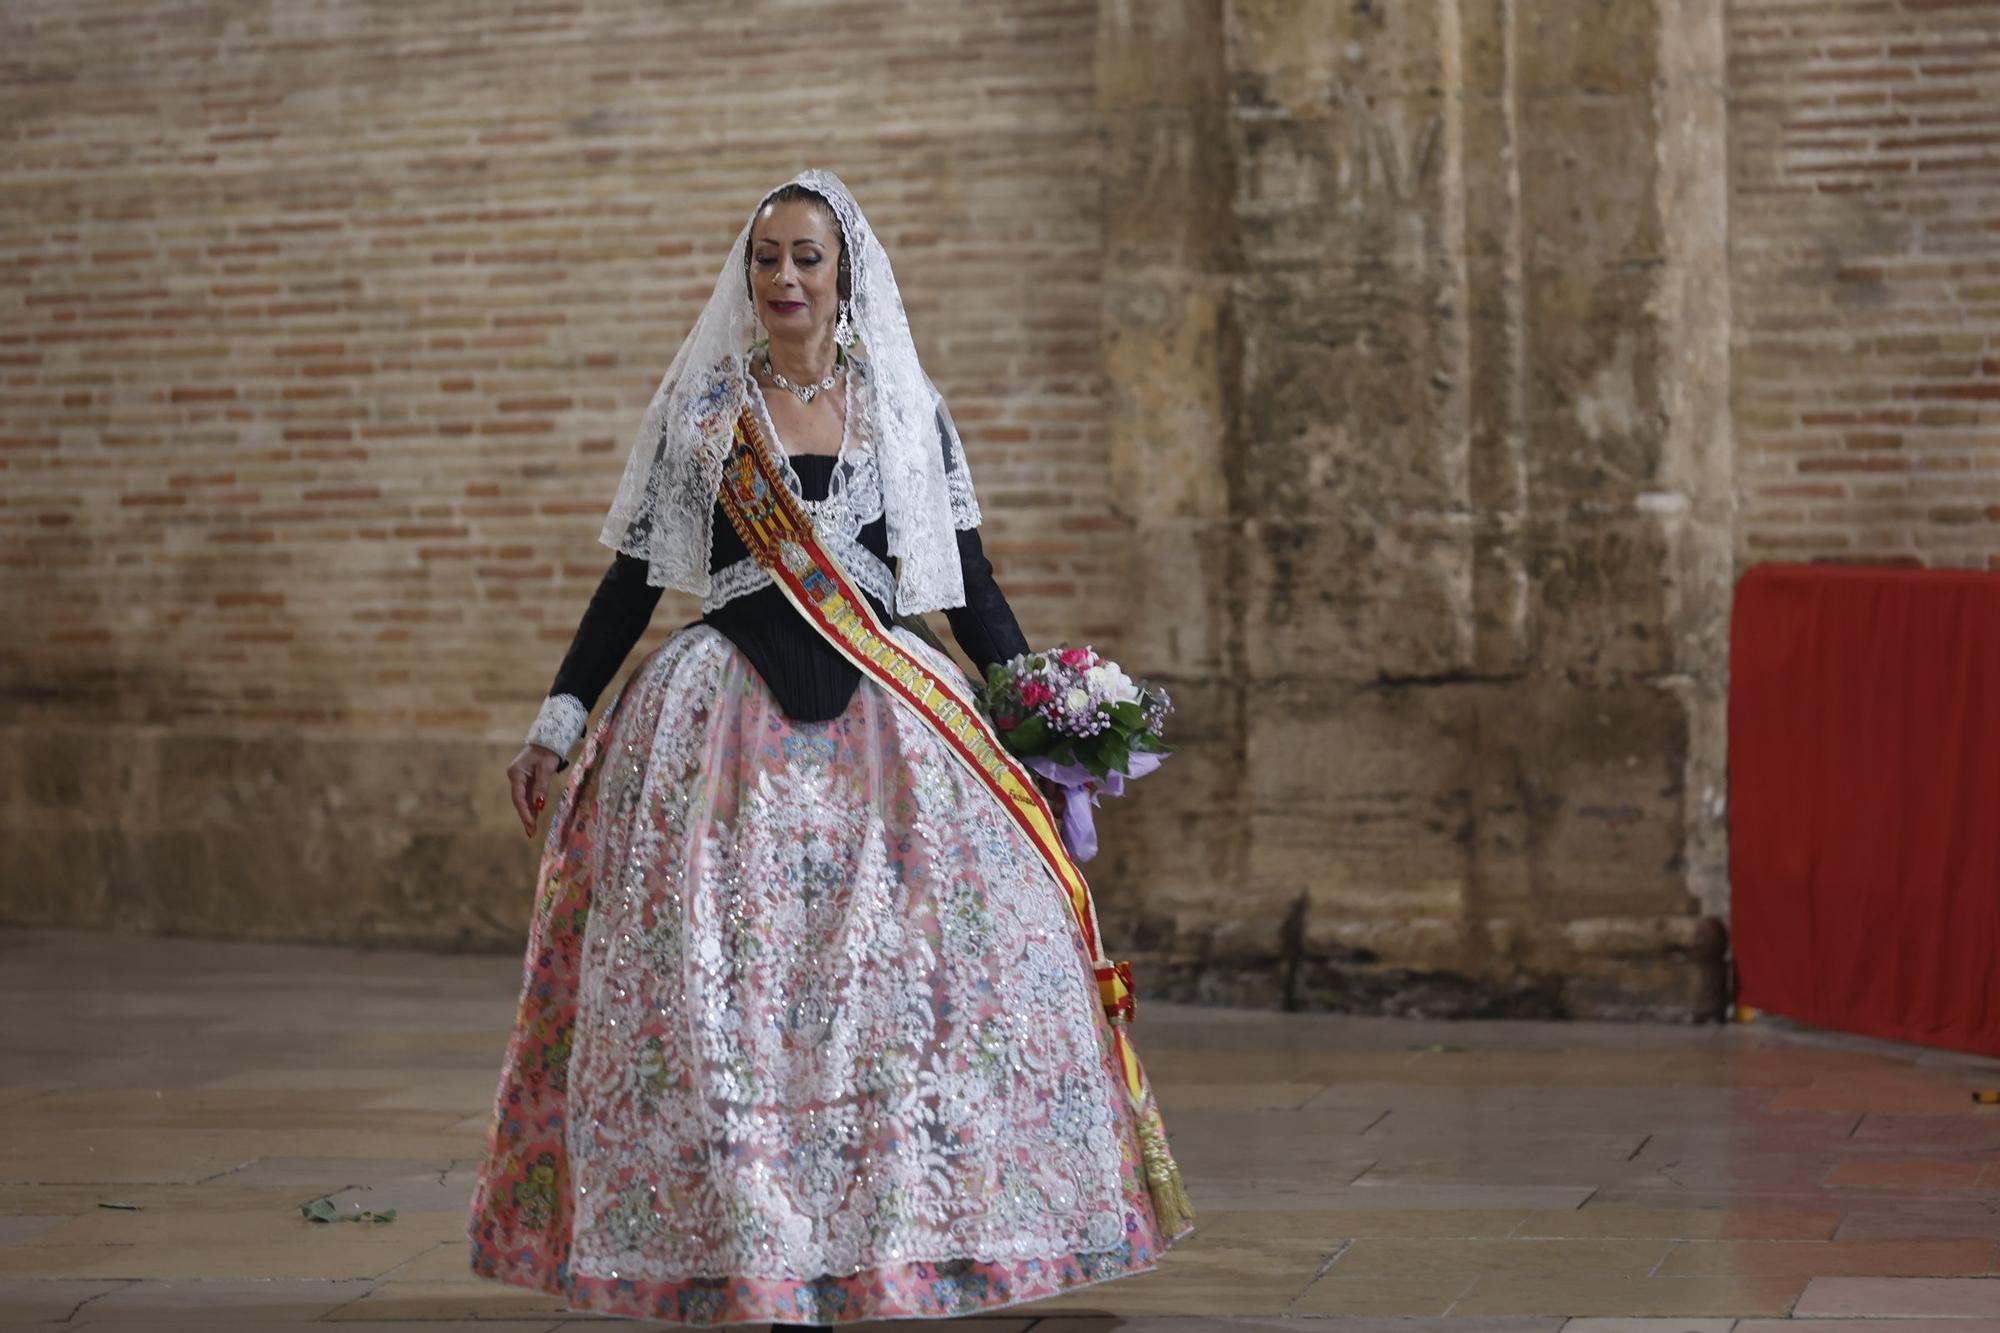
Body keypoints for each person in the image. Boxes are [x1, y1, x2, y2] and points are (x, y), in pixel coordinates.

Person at [465, 169, 1189, 1327]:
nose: (785, 278)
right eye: (766, 259)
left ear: (844, 269)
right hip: (721, 730)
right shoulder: (701, 414)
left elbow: (969, 588)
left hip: (894, 735)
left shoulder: (905, 409)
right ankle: (742, 1239)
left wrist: (1036, 723)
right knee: (727, 996)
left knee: (907, 987)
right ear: (744, 277)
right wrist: (556, 722)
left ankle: (906, 1237)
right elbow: (631, 584)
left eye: (806, 256)